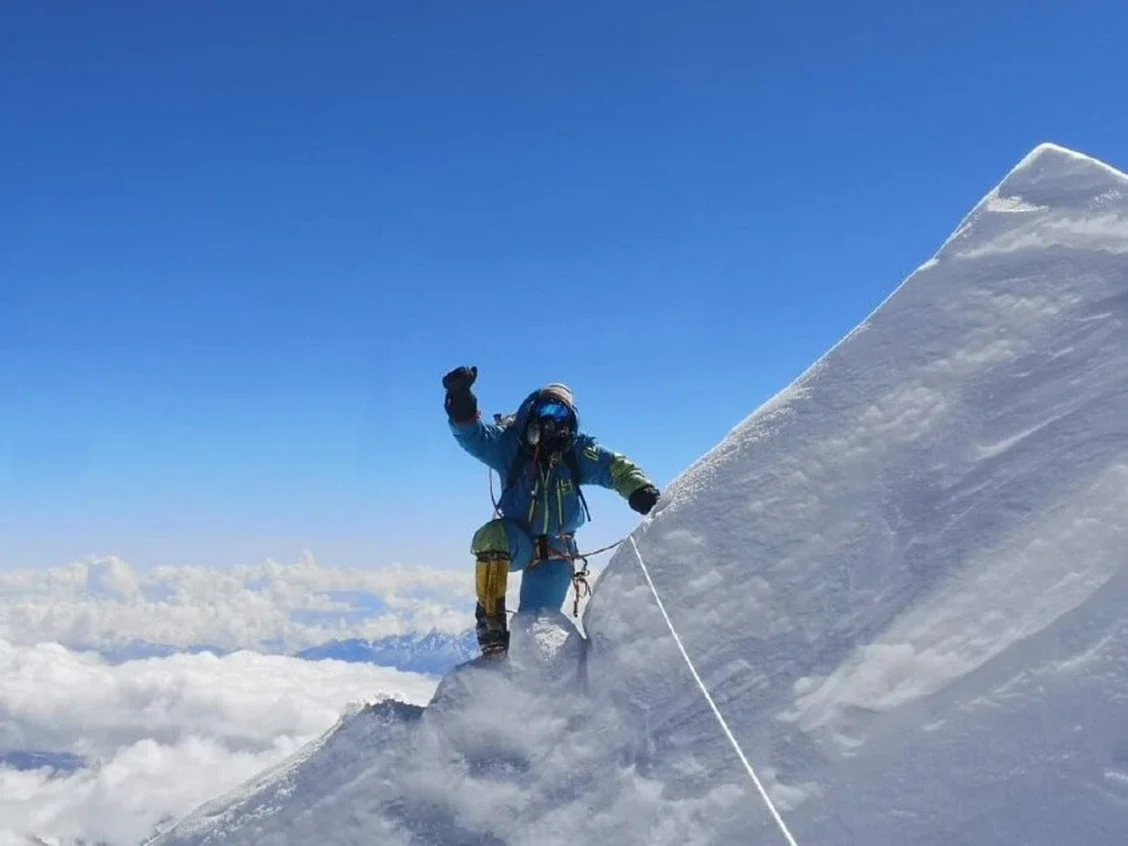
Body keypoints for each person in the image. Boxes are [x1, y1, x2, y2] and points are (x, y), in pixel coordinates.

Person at [443, 365, 661, 657]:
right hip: (516, 540)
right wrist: (460, 399)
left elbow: (616, 467)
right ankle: (491, 625)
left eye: (561, 415)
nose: (551, 421)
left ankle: (520, 672)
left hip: (557, 552)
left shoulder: (577, 451)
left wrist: (639, 490)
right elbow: (474, 435)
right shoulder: (511, 446)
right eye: (545, 410)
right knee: (492, 536)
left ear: (571, 420)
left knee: (534, 631)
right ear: (531, 412)